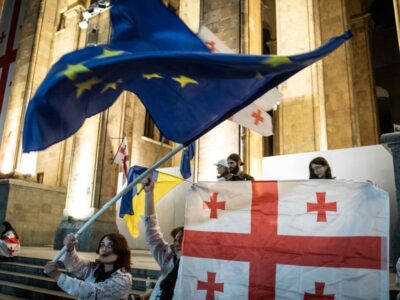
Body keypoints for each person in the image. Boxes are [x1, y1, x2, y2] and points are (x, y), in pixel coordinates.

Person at [44, 233, 132, 300]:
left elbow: (91, 291)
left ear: (121, 251)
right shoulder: (95, 268)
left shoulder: (123, 279)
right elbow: (76, 265)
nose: (104, 249)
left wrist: (57, 275)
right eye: (102, 245)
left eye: (110, 246)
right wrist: (70, 248)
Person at [143, 176, 183, 300]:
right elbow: (152, 233)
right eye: (175, 240)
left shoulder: (197, 267)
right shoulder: (168, 259)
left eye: (181, 240)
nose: (176, 243)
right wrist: (149, 193)